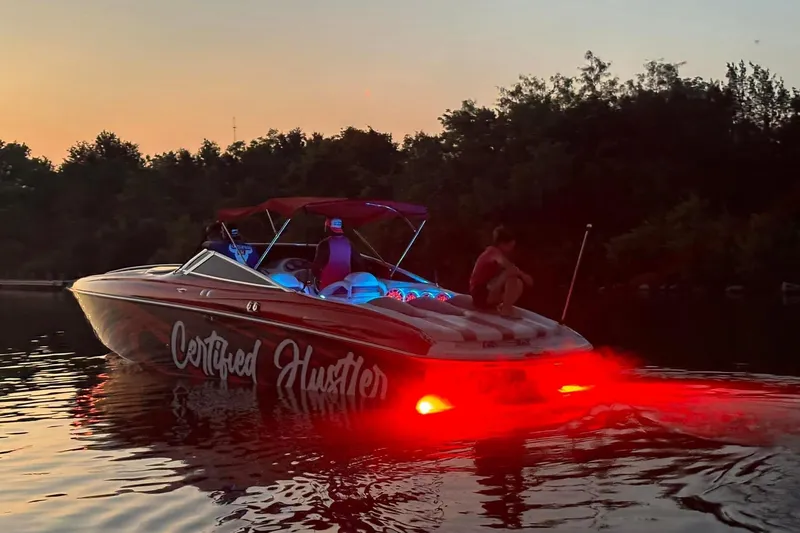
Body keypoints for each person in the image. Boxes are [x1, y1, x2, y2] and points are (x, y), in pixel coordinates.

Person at [469, 226, 533, 317]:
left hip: (489, 290)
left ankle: (504, 305)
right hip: (480, 294)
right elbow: (509, 267)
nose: (511, 249)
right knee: (510, 274)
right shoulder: (492, 252)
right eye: (510, 246)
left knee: (517, 282)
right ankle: (506, 309)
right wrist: (524, 276)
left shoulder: (500, 255)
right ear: (502, 243)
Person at [312, 217, 364, 289]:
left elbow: (316, 268)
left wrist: (318, 277)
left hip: (328, 289)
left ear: (328, 227)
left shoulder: (324, 244)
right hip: (346, 287)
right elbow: (359, 263)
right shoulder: (349, 243)